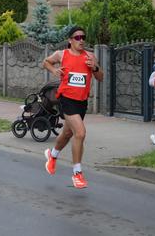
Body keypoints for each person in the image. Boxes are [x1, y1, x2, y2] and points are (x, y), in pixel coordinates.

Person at [42, 26, 103, 188]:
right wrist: (54, 70)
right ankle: (77, 173)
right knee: (80, 133)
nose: (81, 40)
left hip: (81, 101)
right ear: (70, 40)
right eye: (77, 37)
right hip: (66, 99)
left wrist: (94, 67)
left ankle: (52, 156)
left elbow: (100, 77)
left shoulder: (90, 56)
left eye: (83, 37)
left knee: (68, 133)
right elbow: (45, 62)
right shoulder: (62, 54)